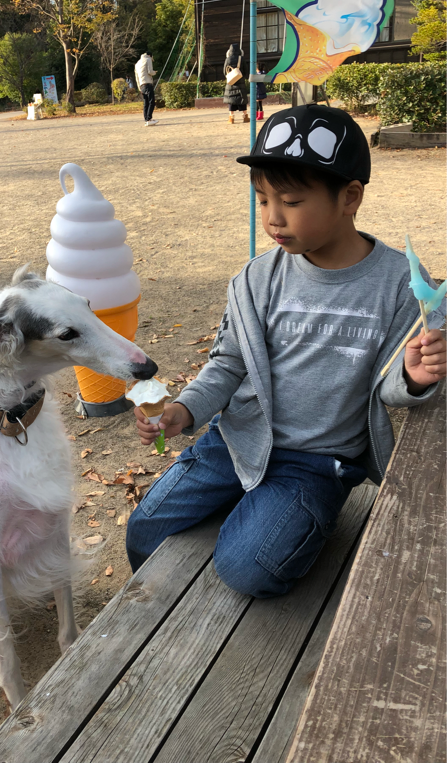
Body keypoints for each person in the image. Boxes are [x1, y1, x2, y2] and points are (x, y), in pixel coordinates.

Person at [126, 104, 447, 599]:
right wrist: (183, 411)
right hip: (238, 442)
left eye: (292, 201)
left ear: (350, 197)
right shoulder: (256, 280)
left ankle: (298, 515)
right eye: (263, 200)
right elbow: (228, 363)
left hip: (317, 461)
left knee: (247, 567)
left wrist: (413, 377)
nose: (273, 218)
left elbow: (391, 386)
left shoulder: (401, 285)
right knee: (145, 528)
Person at [223, 43, 249, 124]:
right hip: (240, 81)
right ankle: (245, 116)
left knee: (231, 100)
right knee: (242, 99)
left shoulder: (228, 59)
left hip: (231, 82)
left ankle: (231, 118)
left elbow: (224, 71)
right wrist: (242, 77)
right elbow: (246, 70)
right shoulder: (241, 58)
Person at [135, 51, 157, 126]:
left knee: (146, 103)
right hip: (148, 83)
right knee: (151, 101)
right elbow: (150, 71)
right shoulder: (148, 59)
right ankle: (149, 119)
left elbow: (137, 77)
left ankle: (146, 120)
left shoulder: (137, 63)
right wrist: (154, 72)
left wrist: (139, 87)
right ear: (150, 55)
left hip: (142, 85)